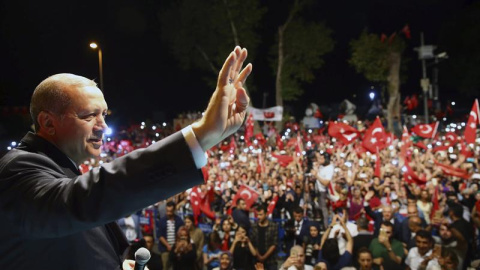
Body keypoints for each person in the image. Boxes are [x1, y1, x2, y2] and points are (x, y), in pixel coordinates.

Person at [0, 46, 252, 269]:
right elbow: (80, 201)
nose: (103, 126)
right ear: (47, 122)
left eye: (105, 115)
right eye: (89, 116)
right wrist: (201, 134)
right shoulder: (18, 169)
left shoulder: (63, 170)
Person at [158, 201, 185, 270]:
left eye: (170, 211)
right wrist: (167, 245)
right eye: (167, 211)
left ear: (174, 210)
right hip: (165, 249)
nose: (168, 213)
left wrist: (177, 246)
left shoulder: (179, 221)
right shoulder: (162, 221)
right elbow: (160, 235)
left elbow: (182, 234)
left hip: (177, 249)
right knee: (165, 267)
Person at [250, 205, 278, 270]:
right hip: (256, 260)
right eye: (257, 215)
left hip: (271, 260)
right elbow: (253, 243)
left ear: (266, 214)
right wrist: (258, 256)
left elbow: (274, 244)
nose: (258, 217)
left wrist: (264, 257)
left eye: (260, 215)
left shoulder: (273, 226)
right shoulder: (254, 226)